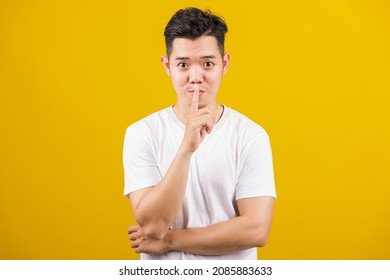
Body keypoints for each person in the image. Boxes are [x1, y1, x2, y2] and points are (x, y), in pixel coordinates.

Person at [123, 7, 276, 260]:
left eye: (207, 63)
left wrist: (169, 240)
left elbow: (256, 230)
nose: (196, 77)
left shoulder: (251, 136)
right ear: (167, 66)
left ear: (224, 64)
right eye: (183, 64)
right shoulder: (142, 133)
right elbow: (152, 227)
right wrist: (186, 149)